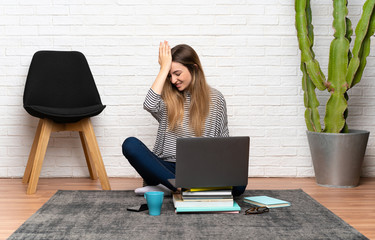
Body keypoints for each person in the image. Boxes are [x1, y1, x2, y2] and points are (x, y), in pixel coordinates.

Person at [122, 41, 246, 196]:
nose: (173, 80)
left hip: (201, 169)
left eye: (177, 73)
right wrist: (163, 68)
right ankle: (186, 188)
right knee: (130, 145)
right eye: (169, 76)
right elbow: (149, 104)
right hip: (166, 167)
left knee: (240, 184)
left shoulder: (216, 99)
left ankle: (170, 187)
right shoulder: (167, 98)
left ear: (194, 68)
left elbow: (223, 140)